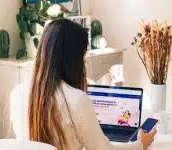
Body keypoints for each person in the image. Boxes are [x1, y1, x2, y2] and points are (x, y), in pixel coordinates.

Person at [28, 19, 156, 150]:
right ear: (71, 58)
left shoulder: (27, 94)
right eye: (83, 54)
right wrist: (141, 144)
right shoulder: (77, 100)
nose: (84, 60)